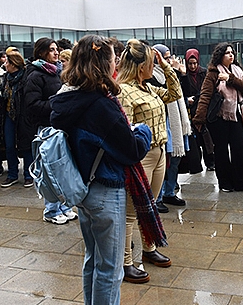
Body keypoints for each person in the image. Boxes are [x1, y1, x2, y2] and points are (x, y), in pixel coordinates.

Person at [50, 34, 161, 305]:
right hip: (106, 190)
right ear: (103, 63)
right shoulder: (100, 104)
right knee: (110, 268)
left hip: (84, 188)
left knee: (94, 260)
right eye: (113, 57)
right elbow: (131, 150)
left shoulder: (70, 96)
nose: (116, 61)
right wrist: (143, 131)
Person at [116, 39, 181, 283]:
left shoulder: (148, 88)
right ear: (140, 65)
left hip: (159, 153)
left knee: (151, 206)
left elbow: (174, 93)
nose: (154, 67)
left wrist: (166, 66)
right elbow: (127, 131)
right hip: (140, 158)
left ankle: (149, 248)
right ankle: (125, 263)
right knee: (131, 213)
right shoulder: (124, 91)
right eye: (151, 63)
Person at [23, 37, 78, 224]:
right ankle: (51, 210)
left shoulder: (57, 72)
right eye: (52, 50)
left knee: (63, 168)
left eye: (57, 49)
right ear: (41, 52)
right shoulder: (35, 75)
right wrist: (58, 103)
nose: (56, 52)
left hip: (60, 126)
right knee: (49, 170)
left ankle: (65, 206)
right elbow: (32, 105)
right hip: (46, 129)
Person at [192, 42, 243, 193]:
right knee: (221, 151)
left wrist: (230, 78)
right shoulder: (213, 72)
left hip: (236, 115)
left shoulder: (237, 70)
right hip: (219, 117)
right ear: (220, 56)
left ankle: (242, 182)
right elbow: (205, 95)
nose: (231, 55)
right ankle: (225, 182)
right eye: (227, 53)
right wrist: (199, 119)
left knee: (239, 147)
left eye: (232, 52)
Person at [150, 44, 190, 213]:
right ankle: (157, 197)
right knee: (163, 161)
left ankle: (169, 191)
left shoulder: (171, 74)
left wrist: (182, 74)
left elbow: (182, 93)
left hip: (176, 123)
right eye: (164, 58)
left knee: (175, 160)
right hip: (162, 122)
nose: (169, 60)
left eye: (169, 57)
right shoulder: (150, 76)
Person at [1, 48, 33, 187]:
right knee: (9, 145)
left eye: (7, 62)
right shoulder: (6, 78)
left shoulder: (26, 78)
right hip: (9, 115)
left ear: (14, 64)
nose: (5, 64)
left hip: (23, 116)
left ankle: (28, 174)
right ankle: (12, 174)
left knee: (26, 145)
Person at [179, 48, 215, 173]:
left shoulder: (203, 73)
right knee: (195, 139)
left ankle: (210, 162)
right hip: (190, 110)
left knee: (206, 138)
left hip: (202, 108)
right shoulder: (183, 74)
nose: (193, 66)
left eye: (195, 63)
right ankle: (196, 163)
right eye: (190, 64)